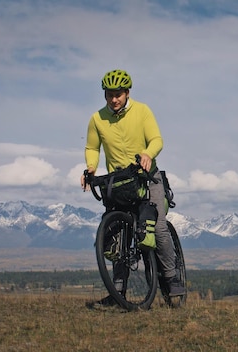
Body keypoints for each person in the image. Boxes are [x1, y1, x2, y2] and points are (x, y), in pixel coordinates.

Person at [81, 69, 185, 306]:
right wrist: (90, 168)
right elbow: (91, 147)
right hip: (119, 182)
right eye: (109, 95)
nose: (114, 99)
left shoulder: (142, 111)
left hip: (148, 178)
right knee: (118, 236)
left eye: (118, 94)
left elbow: (157, 139)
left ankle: (171, 279)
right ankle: (118, 293)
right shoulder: (97, 119)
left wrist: (148, 154)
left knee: (157, 228)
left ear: (127, 93)